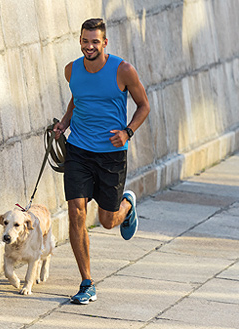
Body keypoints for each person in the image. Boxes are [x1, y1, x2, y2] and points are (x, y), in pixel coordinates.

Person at [53, 18, 150, 305]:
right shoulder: (72, 70)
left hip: (111, 154)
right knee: (76, 211)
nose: (89, 46)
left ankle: (127, 205)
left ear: (105, 43)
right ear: (80, 40)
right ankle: (87, 282)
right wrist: (64, 123)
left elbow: (144, 105)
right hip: (78, 150)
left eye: (95, 41)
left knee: (107, 221)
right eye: (85, 41)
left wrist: (128, 131)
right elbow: (77, 100)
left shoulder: (123, 70)